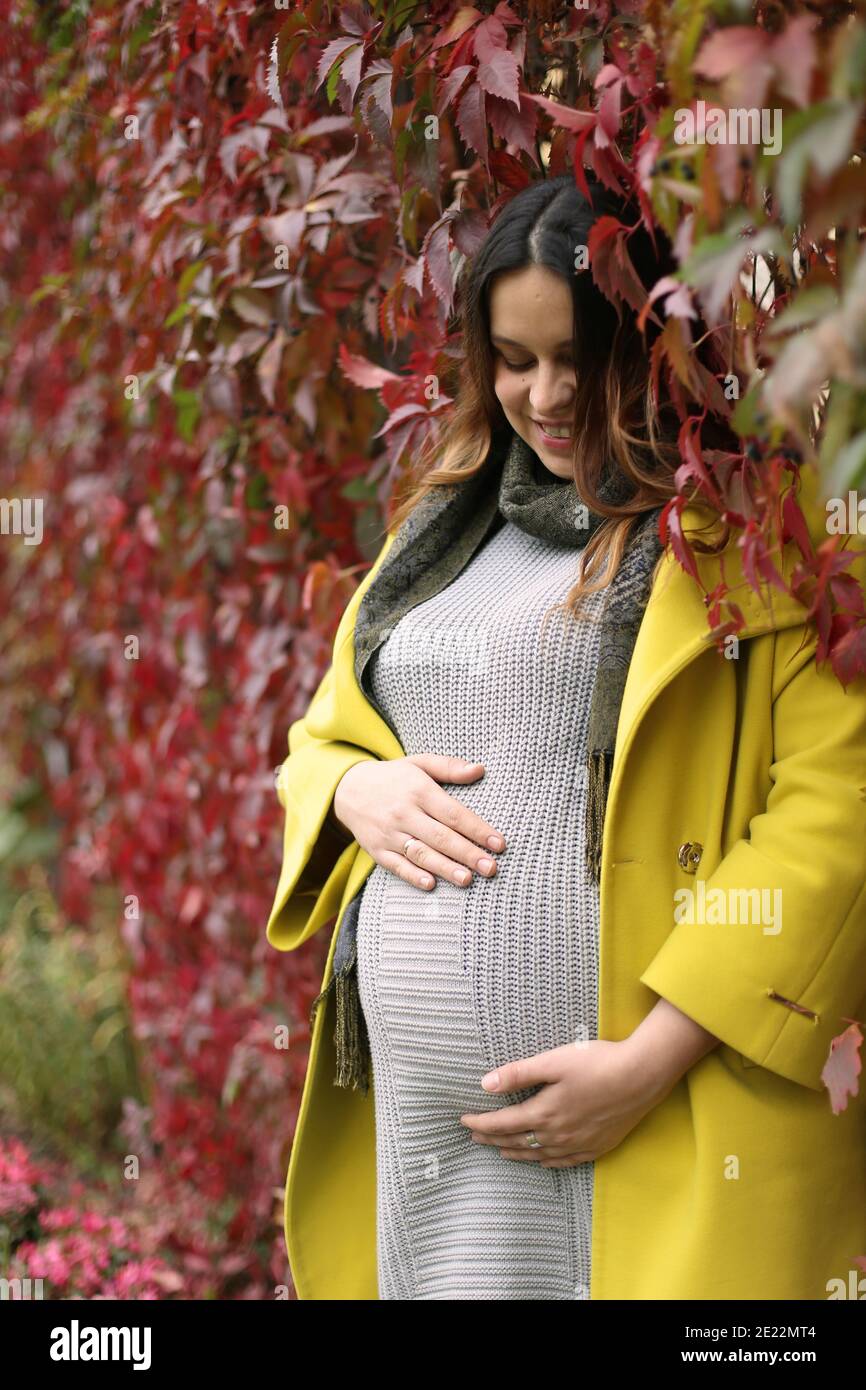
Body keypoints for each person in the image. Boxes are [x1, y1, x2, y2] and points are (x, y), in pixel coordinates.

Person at [265, 173, 866, 1301]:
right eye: (510, 358)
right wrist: (356, 793)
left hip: (660, 1119)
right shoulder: (435, 532)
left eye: (573, 362)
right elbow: (319, 739)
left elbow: (834, 814)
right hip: (432, 1161)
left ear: (653, 348)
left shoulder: (761, 541)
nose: (541, 396)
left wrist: (645, 1062)